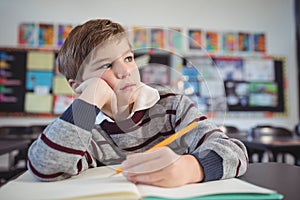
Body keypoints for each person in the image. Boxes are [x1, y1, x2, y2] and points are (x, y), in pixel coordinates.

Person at [27, 19, 248, 187]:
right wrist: (86, 103)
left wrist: (189, 169)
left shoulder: (172, 105)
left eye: (128, 58)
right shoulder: (83, 128)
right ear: (78, 86)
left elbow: (235, 152)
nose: (125, 71)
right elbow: (46, 167)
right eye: (106, 65)